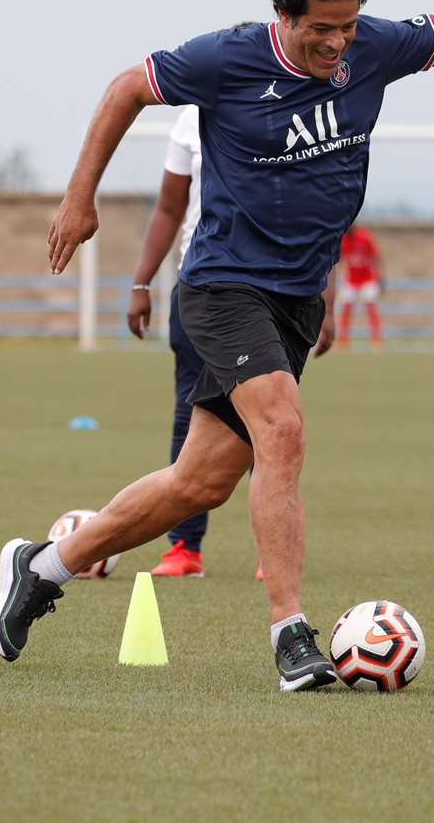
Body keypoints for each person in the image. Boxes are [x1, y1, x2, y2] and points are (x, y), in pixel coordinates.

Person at [0, 0, 434, 690]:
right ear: (284, 17)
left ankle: (42, 566)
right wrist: (79, 197)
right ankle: (290, 631)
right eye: (321, 29)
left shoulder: (372, 47)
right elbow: (125, 87)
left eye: (347, 28)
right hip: (224, 285)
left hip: (296, 299)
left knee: (199, 482)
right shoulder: (227, 59)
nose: (337, 43)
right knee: (283, 430)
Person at [123, 105, 336, 579]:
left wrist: (329, 294)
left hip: (276, 292)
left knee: (271, 421)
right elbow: (169, 208)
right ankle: (184, 547)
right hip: (204, 289)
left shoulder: (293, 111)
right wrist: (141, 282)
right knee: (190, 417)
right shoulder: (189, 120)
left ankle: (271, 550)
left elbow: (319, 213)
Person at [337, 222, 383, 351]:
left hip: (367, 279)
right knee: (346, 309)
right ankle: (343, 341)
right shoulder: (343, 240)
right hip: (351, 280)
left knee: (371, 309)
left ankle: (376, 340)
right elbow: (340, 260)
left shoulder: (364, 237)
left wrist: (380, 278)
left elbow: (376, 257)